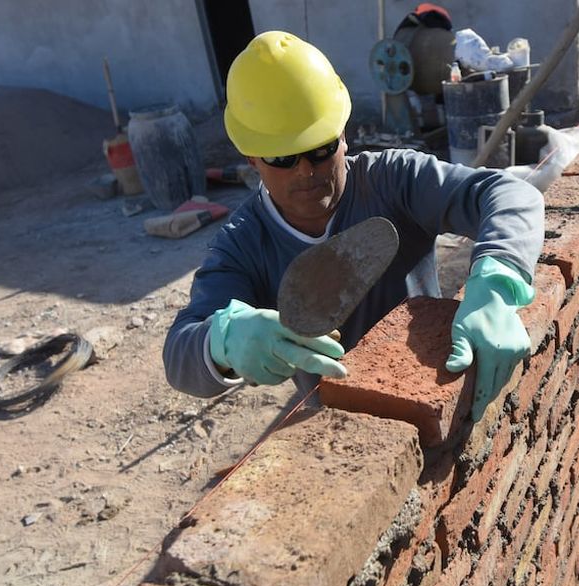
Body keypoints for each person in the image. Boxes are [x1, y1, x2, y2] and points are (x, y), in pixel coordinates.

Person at [163, 30, 544, 421]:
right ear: (252, 158)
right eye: (282, 159)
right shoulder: (243, 244)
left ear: (343, 134)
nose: (306, 171)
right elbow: (179, 353)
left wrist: (496, 281)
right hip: (338, 421)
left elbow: (509, 195)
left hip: (433, 392)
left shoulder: (393, 181)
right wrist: (223, 340)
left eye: (321, 149)